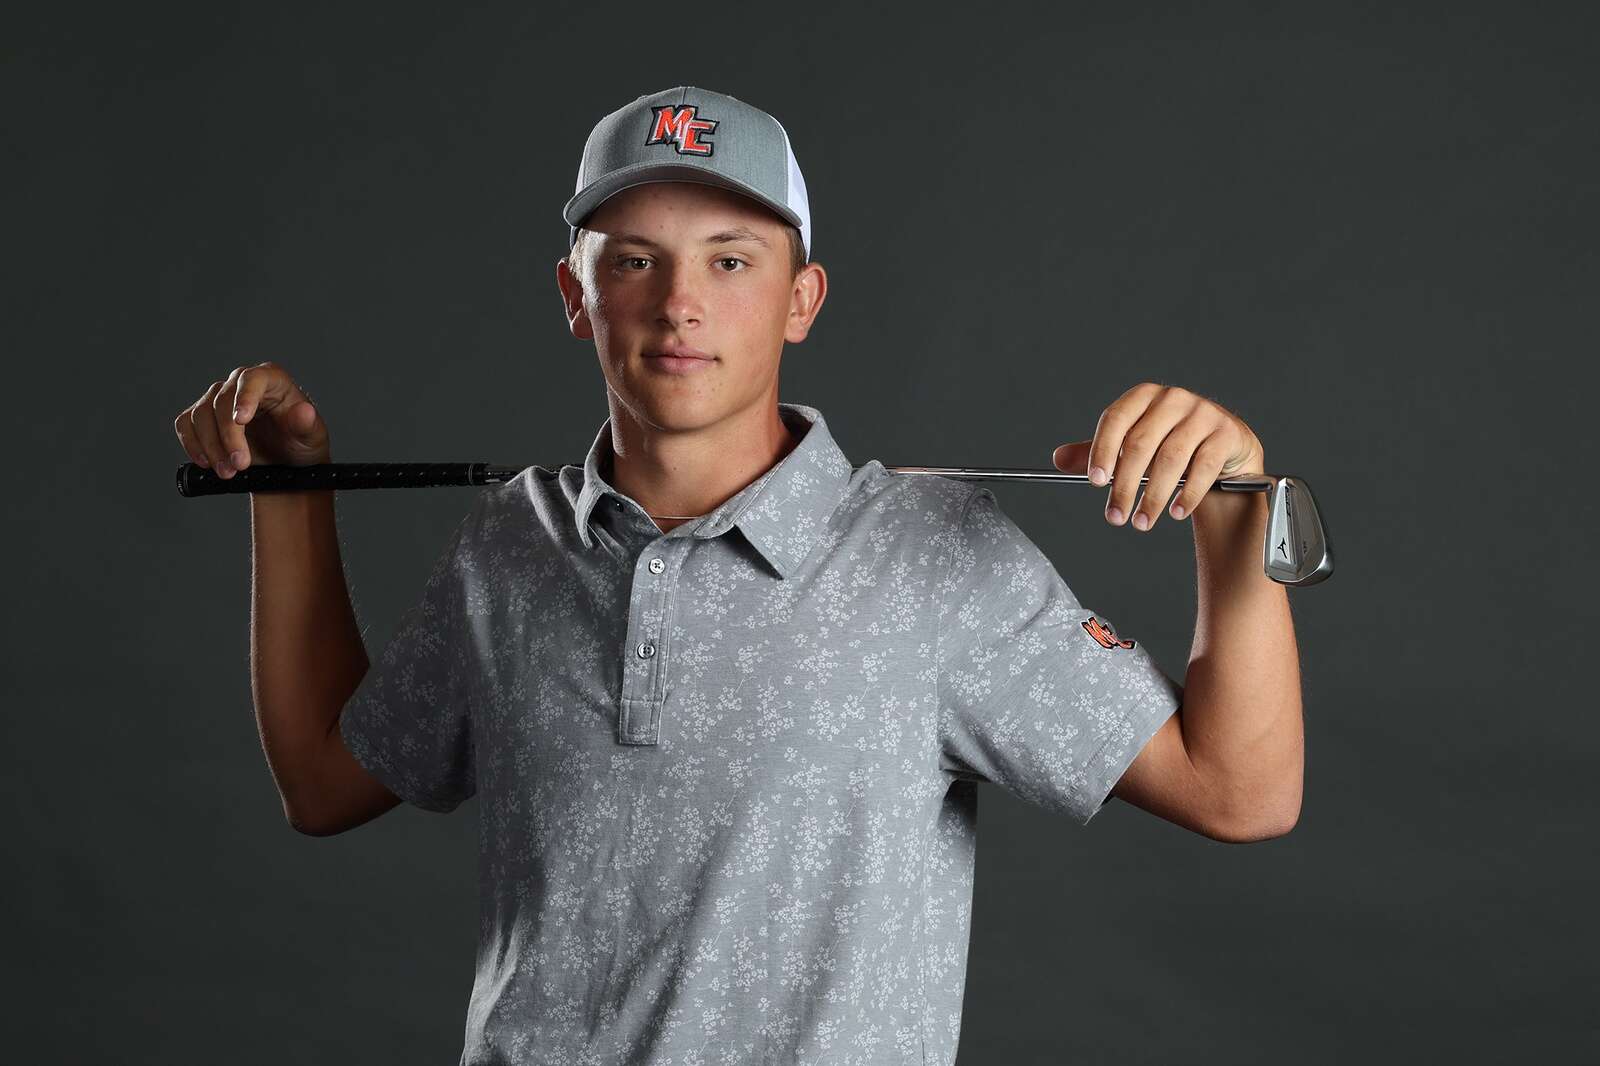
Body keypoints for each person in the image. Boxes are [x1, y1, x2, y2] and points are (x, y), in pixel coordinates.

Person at [173, 85, 1304, 1065]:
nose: (680, 303)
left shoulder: (934, 554)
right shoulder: (506, 544)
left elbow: (1240, 791)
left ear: (799, 300)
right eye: (633, 260)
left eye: (730, 259)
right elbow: (325, 784)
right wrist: (285, 488)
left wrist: (1230, 523)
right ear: (576, 297)